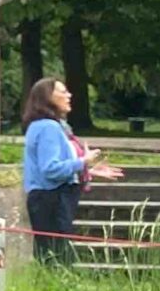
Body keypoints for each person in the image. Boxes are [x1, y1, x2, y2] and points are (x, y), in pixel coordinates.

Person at [21, 77, 123, 268]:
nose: (69, 95)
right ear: (47, 97)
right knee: (56, 258)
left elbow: (56, 166)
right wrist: (83, 160)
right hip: (51, 199)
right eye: (63, 92)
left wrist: (88, 170)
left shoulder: (47, 126)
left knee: (53, 255)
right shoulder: (48, 127)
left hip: (48, 198)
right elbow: (50, 169)